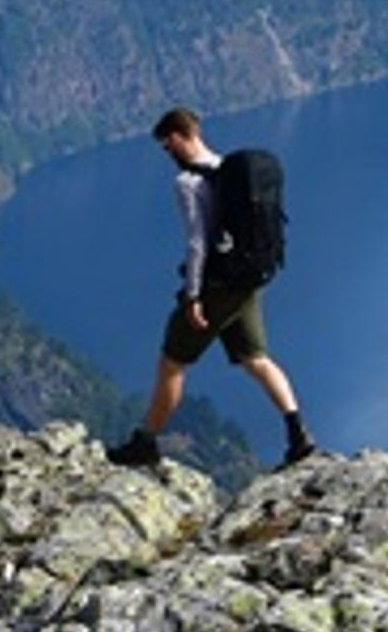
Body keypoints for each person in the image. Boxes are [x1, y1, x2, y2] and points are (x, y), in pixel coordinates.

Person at [110, 105, 314, 471]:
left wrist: (193, 296)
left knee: (172, 364)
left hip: (218, 287)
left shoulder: (188, 183)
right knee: (256, 358)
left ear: (176, 137)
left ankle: (145, 443)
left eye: (166, 146)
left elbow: (197, 243)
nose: (167, 154)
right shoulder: (228, 168)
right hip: (248, 279)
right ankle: (298, 435)